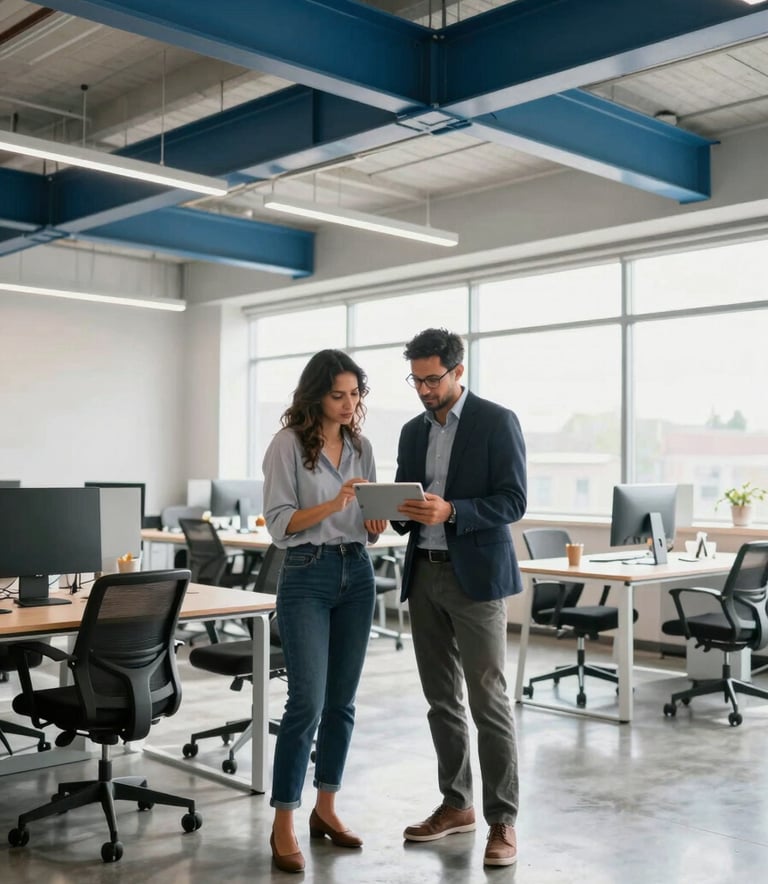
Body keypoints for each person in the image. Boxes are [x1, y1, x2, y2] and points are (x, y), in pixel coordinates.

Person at [392, 327, 527, 868]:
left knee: (488, 702)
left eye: (432, 379)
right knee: (441, 701)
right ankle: (456, 803)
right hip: (423, 574)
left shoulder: (497, 422)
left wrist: (455, 512)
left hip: (476, 578)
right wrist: (391, 512)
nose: (424, 390)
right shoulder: (410, 431)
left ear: (457, 371)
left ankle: (503, 820)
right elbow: (407, 497)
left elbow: (513, 500)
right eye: (416, 380)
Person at [262, 349, 387, 873]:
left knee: (342, 703)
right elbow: (279, 523)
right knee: (306, 702)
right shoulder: (287, 445)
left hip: (357, 573)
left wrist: (377, 520)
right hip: (306, 575)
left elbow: (372, 516)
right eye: (338, 394)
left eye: (355, 394)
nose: (348, 403)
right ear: (316, 394)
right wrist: (335, 504)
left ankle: (327, 809)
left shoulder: (362, 446)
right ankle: (284, 819)